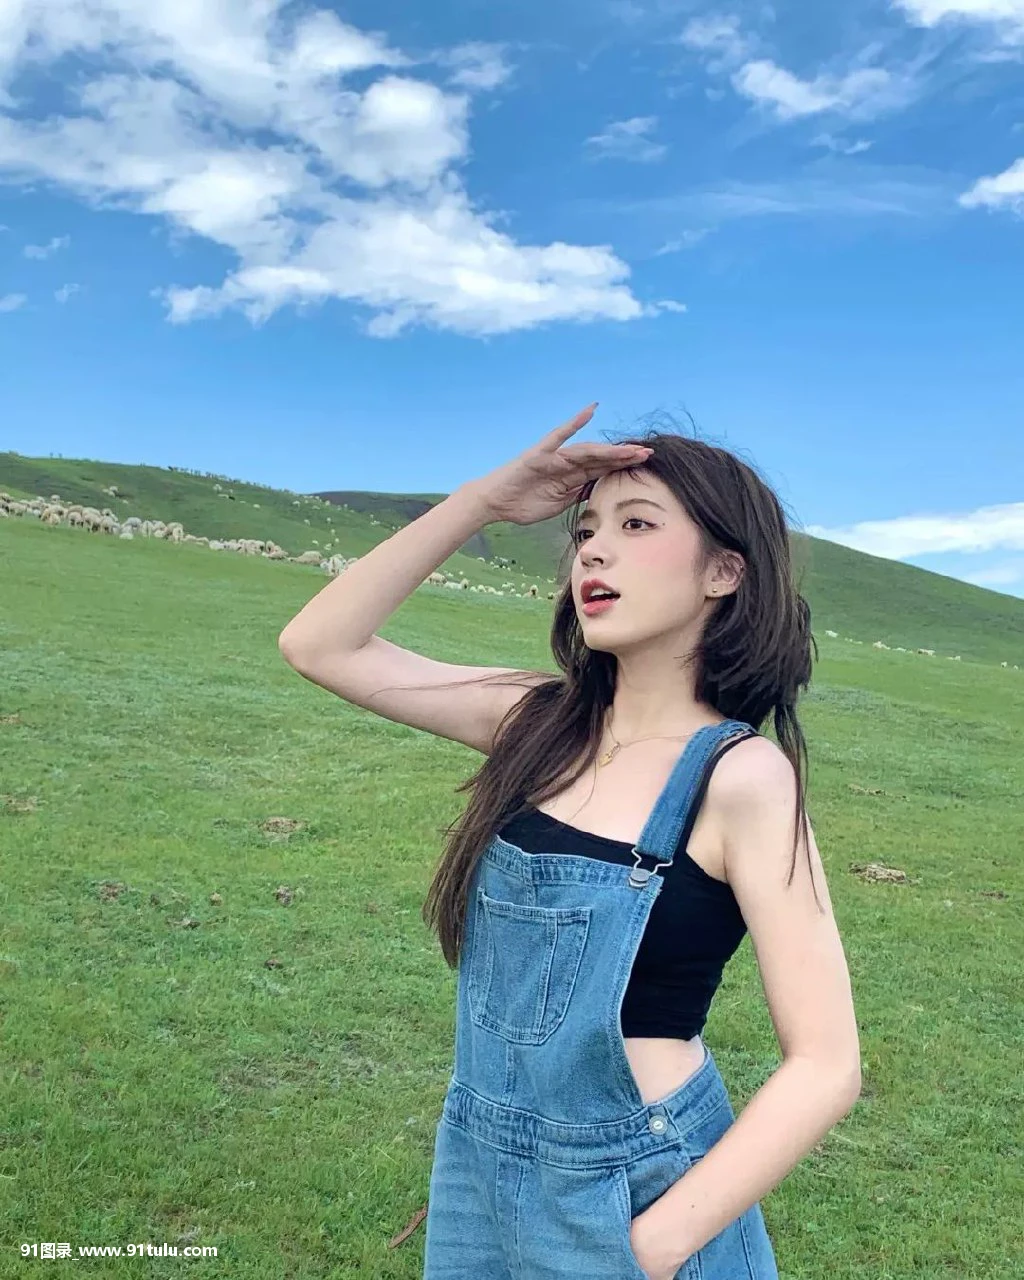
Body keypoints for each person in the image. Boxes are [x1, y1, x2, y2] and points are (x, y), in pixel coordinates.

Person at [278, 405, 861, 1279]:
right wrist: (483, 501)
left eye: (637, 525)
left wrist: (655, 1245)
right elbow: (319, 644)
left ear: (724, 571)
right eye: (585, 530)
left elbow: (826, 1063)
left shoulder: (741, 778)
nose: (592, 552)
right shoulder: (536, 723)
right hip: (478, 1166)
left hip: (638, 1188)